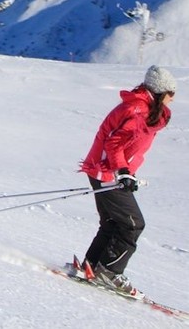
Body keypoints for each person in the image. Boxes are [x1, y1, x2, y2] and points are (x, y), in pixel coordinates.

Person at [78, 65, 176, 298]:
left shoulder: (145, 108)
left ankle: (92, 265)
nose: (174, 97)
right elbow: (114, 143)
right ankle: (110, 272)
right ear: (160, 92)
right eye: (171, 92)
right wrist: (122, 171)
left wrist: (126, 172)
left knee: (113, 222)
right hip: (108, 173)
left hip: (107, 171)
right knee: (133, 224)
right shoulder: (137, 110)